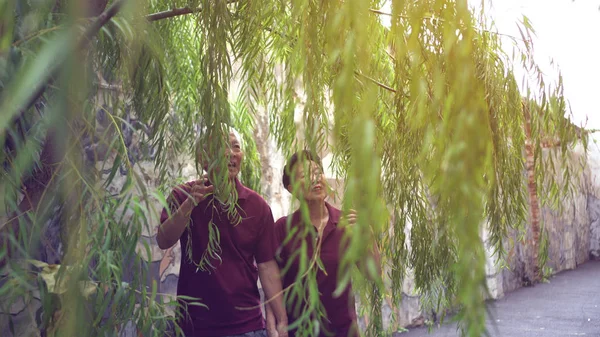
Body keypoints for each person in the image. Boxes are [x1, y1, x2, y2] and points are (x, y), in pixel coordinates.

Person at [157, 127, 288, 337]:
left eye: (236, 147)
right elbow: (164, 240)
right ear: (203, 157)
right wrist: (190, 205)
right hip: (194, 327)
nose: (230, 153)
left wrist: (281, 321)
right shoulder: (182, 195)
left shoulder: (257, 206)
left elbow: (267, 267)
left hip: (247, 326)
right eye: (221, 147)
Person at [269, 150, 378, 337]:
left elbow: (372, 274)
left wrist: (369, 238)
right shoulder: (282, 229)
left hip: (343, 330)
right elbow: (272, 284)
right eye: (305, 175)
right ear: (291, 188)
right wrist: (274, 327)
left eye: (318, 172)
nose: (315, 179)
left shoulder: (346, 224)